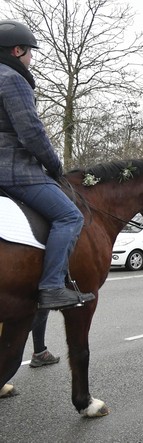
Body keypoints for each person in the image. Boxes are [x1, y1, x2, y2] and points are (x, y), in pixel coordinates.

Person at [0, 20, 94, 310]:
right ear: (17, 50)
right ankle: (52, 286)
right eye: (29, 53)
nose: (31, 59)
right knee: (70, 216)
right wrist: (54, 167)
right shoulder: (13, 78)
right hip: (14, 170)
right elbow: (31, 132)